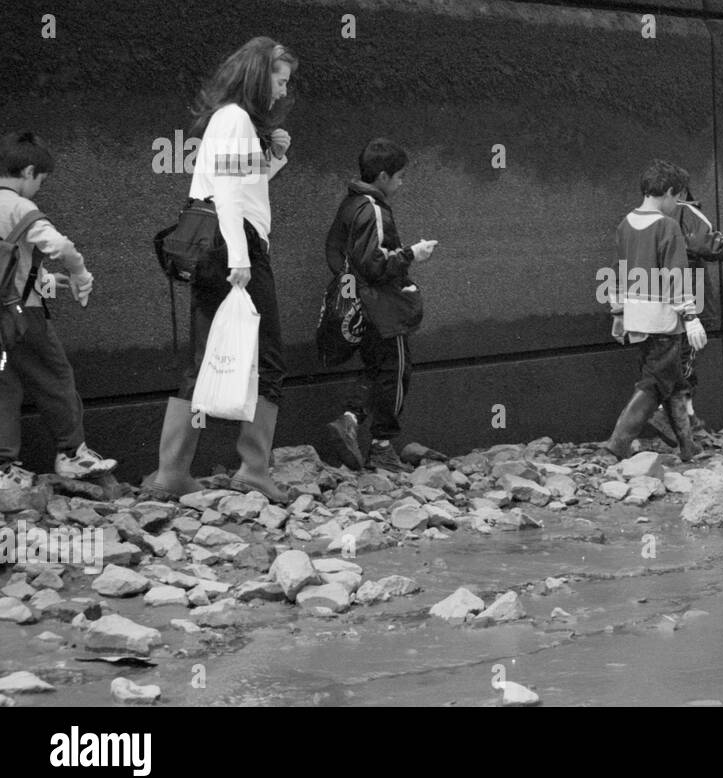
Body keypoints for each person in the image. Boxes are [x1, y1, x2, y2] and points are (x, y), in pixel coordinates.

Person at [143, 37, 297, 503]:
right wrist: (241, 258)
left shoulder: (229, 120)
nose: (282, 92)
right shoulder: (234, 119)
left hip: (220, 244)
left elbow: (242, 184)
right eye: (279, 79)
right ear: (258, 74)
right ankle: (254, 468)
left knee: (204, 359)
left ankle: (171, 472)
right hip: (235, 245)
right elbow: (229, 195)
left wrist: (275, 159)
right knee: (268, 358)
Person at [0, 131, 116, 486]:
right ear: (30, 171)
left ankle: (3, 468)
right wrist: (80, 273)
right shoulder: (19, 206)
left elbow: (11, 263)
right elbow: (60, 246)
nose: (40, 188)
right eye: (42, 180)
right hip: (22, 316)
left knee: (5, 387)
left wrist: (45, 281)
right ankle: (72, 454)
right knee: (56, 377)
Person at [323, 139, 437, 472]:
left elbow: (336, 252)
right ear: (384, 176)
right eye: (400, 176)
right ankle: (383, 446)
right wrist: (412, 254)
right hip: (384, 308)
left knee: (376, 370)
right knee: (397, 372)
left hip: (360, 304)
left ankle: (349, 420)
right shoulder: (372, 208)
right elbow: (374, 263)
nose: (402, 183)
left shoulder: (351, 203)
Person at [602, 159, 707, 462]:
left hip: (636, 317)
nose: (679, 204)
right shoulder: (667, 226)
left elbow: (617, 270)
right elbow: (676, 275)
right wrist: (690, 316)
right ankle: (616, 446)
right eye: (679, 198)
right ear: (670, 192)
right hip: (664, 319)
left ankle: (688, 447)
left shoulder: (625, 223)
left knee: (671, 381)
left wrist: (618, 313)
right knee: (654, 383)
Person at [646, 184, 723, 444]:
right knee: (685, 359)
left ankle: (687, 424)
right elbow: (705, 243)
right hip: (687, 296)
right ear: (678, 192)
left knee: (666, 362)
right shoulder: (685, 212)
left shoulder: (642, 218)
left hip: (653, 298)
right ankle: (671, 417)